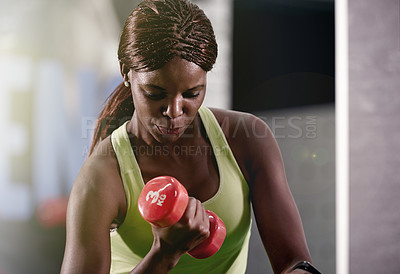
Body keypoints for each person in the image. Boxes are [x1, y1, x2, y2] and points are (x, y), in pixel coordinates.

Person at [61, 0, 321, 273]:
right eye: (155, 93)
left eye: (191, 94)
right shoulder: (101, 175)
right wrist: (165, 253)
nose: (173, 111)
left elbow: (294, 262)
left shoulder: (247, 140)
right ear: (126, 73)